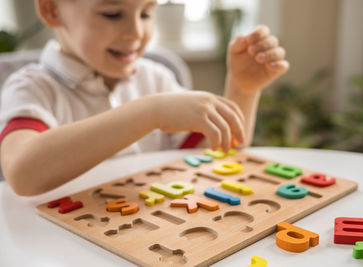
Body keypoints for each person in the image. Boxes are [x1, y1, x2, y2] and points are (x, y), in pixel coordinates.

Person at [0, 0, 289, 196]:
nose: (136, 32)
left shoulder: (156, 78)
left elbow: (215, 156)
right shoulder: (32, 86)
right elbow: (22, 173)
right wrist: (149, 113)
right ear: (52, 9)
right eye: (112, 13)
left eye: (147, 12)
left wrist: (243, 89)